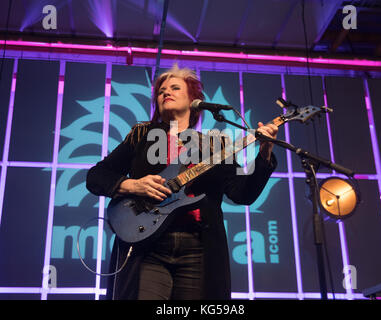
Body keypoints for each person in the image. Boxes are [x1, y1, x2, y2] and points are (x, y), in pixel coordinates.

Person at [86, 64, 278, 300]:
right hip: (148, 245)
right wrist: (133, 185)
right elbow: (97, 176)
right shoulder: (142, 134)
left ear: (194, 100)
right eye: (161, 90)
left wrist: (265, 152)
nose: (165, 92)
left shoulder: (214, 145)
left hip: (198, 248)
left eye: (175, 88)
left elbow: (241, 194)